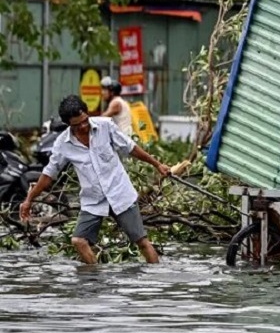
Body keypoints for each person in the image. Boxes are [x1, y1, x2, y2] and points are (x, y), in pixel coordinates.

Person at [20, 95, 170, 264]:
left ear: (87, 114)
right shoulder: (63, 144)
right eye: (77, 125)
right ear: (68, 125)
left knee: (141, 242)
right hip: (93, 201)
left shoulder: (105, 126)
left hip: (120, 193)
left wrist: (157, 165)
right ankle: (96, 280)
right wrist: (28, 200)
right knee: (78, 241)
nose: (84, 126)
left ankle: (156, 278)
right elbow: (48, 175)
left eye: (85, 120)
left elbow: (131, 148)